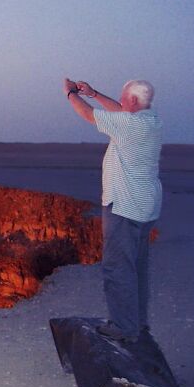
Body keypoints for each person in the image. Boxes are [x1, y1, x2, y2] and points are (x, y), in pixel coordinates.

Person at [64, 78, 162, 344]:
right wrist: (94, 93)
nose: (119, 101)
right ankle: (137, 323)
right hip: (145, 208)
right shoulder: (150, 119)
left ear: (131, 100)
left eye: (123, 98)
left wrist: (71, 93)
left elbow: (87, 114)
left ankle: (124, 328)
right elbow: (120, 110)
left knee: (117, 269)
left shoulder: (129, 125)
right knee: (136, 268)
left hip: (124, 208)